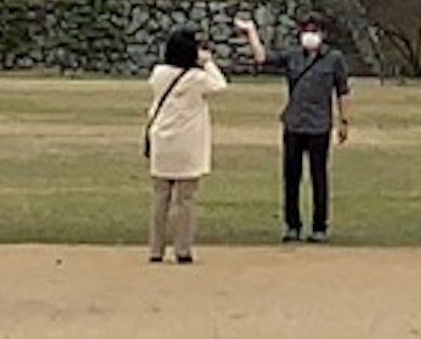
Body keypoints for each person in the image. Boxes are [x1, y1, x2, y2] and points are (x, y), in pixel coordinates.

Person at [236, 15, 351, 242]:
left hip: (319, 126)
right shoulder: (292, 56)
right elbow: (262, 58)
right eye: (306, 30)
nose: (309, 35)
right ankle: (292, 225)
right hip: (294, 124)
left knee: (319, 177)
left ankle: (320, 226)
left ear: (323, 34)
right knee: (291, 177)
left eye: (314, 30)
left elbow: (343, 91)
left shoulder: (334, 59)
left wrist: (344, 121)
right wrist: (251, 34)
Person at [141, 28, 229, 264]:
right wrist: (207, 62)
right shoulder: (196, 78)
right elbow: (220, 85)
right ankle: (183, 249)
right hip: (187, 143)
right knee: (186, 198)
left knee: (161, 197)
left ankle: (155, 249)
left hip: (162, 140)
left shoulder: (159, 73)